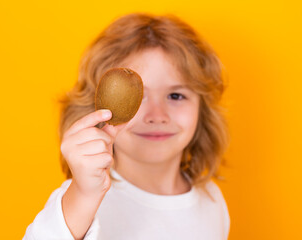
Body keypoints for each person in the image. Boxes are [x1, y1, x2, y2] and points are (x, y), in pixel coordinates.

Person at [23, 13, 230, 240]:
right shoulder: (83, 202)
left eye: (176, 95)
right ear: (98, 105)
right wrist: (82, 196)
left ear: (203, 109)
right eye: (139, 96)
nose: (157, 116)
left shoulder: (211, 200)